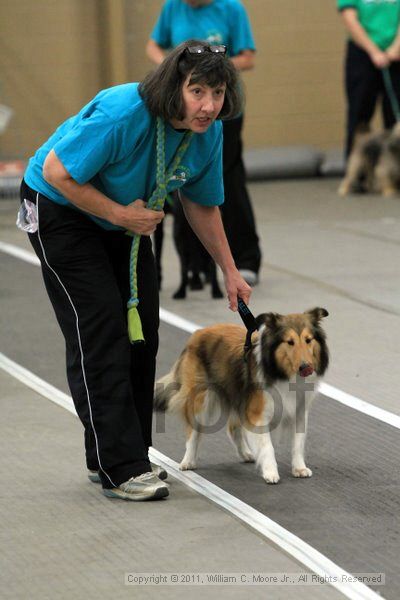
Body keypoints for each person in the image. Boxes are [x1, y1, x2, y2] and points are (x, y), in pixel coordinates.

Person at [20, 40, 251, 502]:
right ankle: (121, 467)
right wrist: (121, 216)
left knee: (141, 330)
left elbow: (202, 203)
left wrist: (229, 269)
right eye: (197, 91)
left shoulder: (208, 132)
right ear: (175, 86)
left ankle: (120, 452)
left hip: (122, 219)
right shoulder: (123, 112)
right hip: (60, 208)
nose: (208, 106)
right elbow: (58, 172)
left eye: (218, 93)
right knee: (100, 325)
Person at [146, 0, 262, 286]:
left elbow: (248, 58)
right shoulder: (174, 7)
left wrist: (207, 71)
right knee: (184, 181)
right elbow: (152, 45)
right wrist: (176, 69)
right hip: (186, 107)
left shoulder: (231, 9)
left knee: (227, 182)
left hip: (221, 113)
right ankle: (196, 264)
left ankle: (246, 259)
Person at [338, 0, 400, 157]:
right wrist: (373, 51)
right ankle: (357, 175)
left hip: (395, 54)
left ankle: (395, 171)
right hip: (362, 55)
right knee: (359, 117)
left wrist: (396, 47)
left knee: (395, 116)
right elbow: (349, 18)